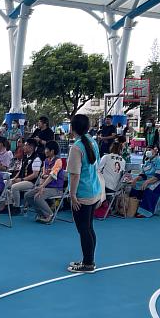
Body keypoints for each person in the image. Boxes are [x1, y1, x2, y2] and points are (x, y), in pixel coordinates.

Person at [66, 114, 102, 273]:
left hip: (82, 193)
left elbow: (75, 174)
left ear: (72, 128)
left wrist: (72, 195)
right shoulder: (92, 142)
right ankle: (89, 259)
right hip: (94, 189)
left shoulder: (76, 147)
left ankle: (88, 263)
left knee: (83, 229)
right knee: (89, 227)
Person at [24, 140, 65, 224]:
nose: (44, 151)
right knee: (27, 195)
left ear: (52, 151)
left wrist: (42, 186)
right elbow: (43, 175)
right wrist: (41, 186)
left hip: (56, 189)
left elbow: (52, 176)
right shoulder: (46, 161)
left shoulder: (58, 161)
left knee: (38, 197)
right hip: (46, 186)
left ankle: (49, 215)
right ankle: (42, 214)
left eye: (46, 149)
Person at [128, 146, 160, 218]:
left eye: (150, 150)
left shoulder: (159, 161)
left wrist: (147, 182)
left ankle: (146, 211)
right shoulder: (147, 162)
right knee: (136, 185)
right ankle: (134, 207)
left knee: (150, 188)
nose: (147, 151)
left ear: (155, 151)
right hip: (151, 180)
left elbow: (159, 176)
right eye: (146, 150)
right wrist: (135, 179)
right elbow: (143, 175)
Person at [7, 138, 42, 215]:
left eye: (25, 145)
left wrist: (22, 179)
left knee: (14, 187)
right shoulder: (25, 157)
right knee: (6, 183)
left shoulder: (36, 159)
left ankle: (17, 207)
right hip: (22, 179)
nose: (23, 147)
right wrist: (15, 178)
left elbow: (35, 174)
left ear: (31, 147)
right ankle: (8, 205)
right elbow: (21, 170)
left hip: (31, 182)